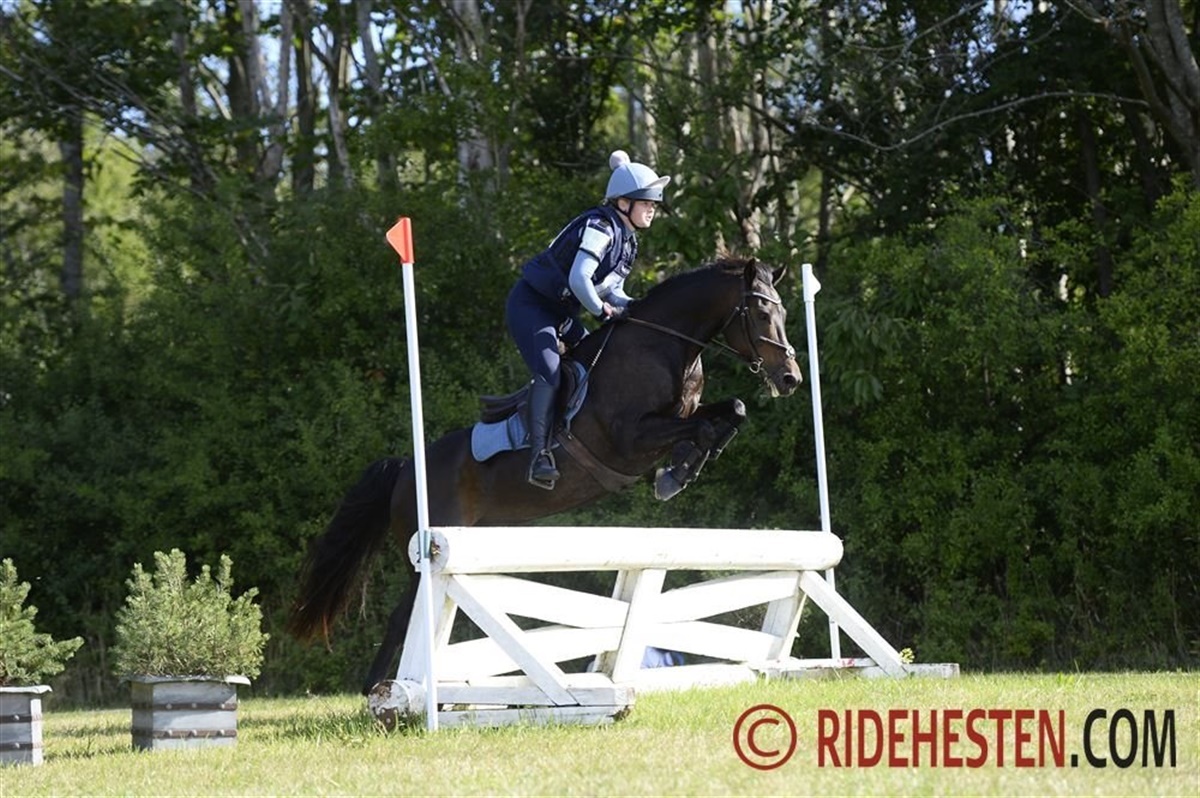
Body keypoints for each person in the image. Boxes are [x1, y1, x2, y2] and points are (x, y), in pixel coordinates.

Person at [505, 150, 670, 490]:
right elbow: (580, 279)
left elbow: (613, 291)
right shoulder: (600, 227)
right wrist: (600, 311)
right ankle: (538, 456)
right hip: (532, 306)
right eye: (646, 202)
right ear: (623, 202)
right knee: (550, 370)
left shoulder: (628, 242)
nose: (652, 208)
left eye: (653, 203)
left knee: (601, 359)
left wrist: (641, 307)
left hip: (561, 315)